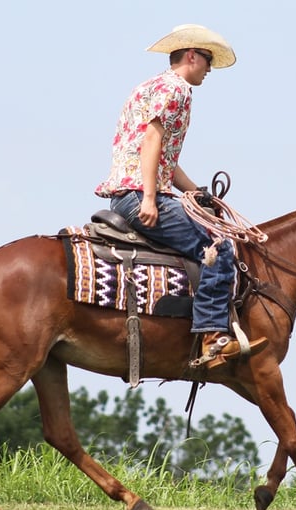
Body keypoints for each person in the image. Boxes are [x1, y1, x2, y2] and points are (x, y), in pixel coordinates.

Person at [95, 24, 267, 370]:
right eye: (207, 61)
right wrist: (148, 198)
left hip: (127, 190)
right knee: (220, 246)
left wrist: (197, 193)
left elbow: (164, 160)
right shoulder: (177, 90)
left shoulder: (148, 86)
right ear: (191, 56)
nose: (209, 70)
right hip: (139, 193)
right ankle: (212, 336)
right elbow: (152, 143)